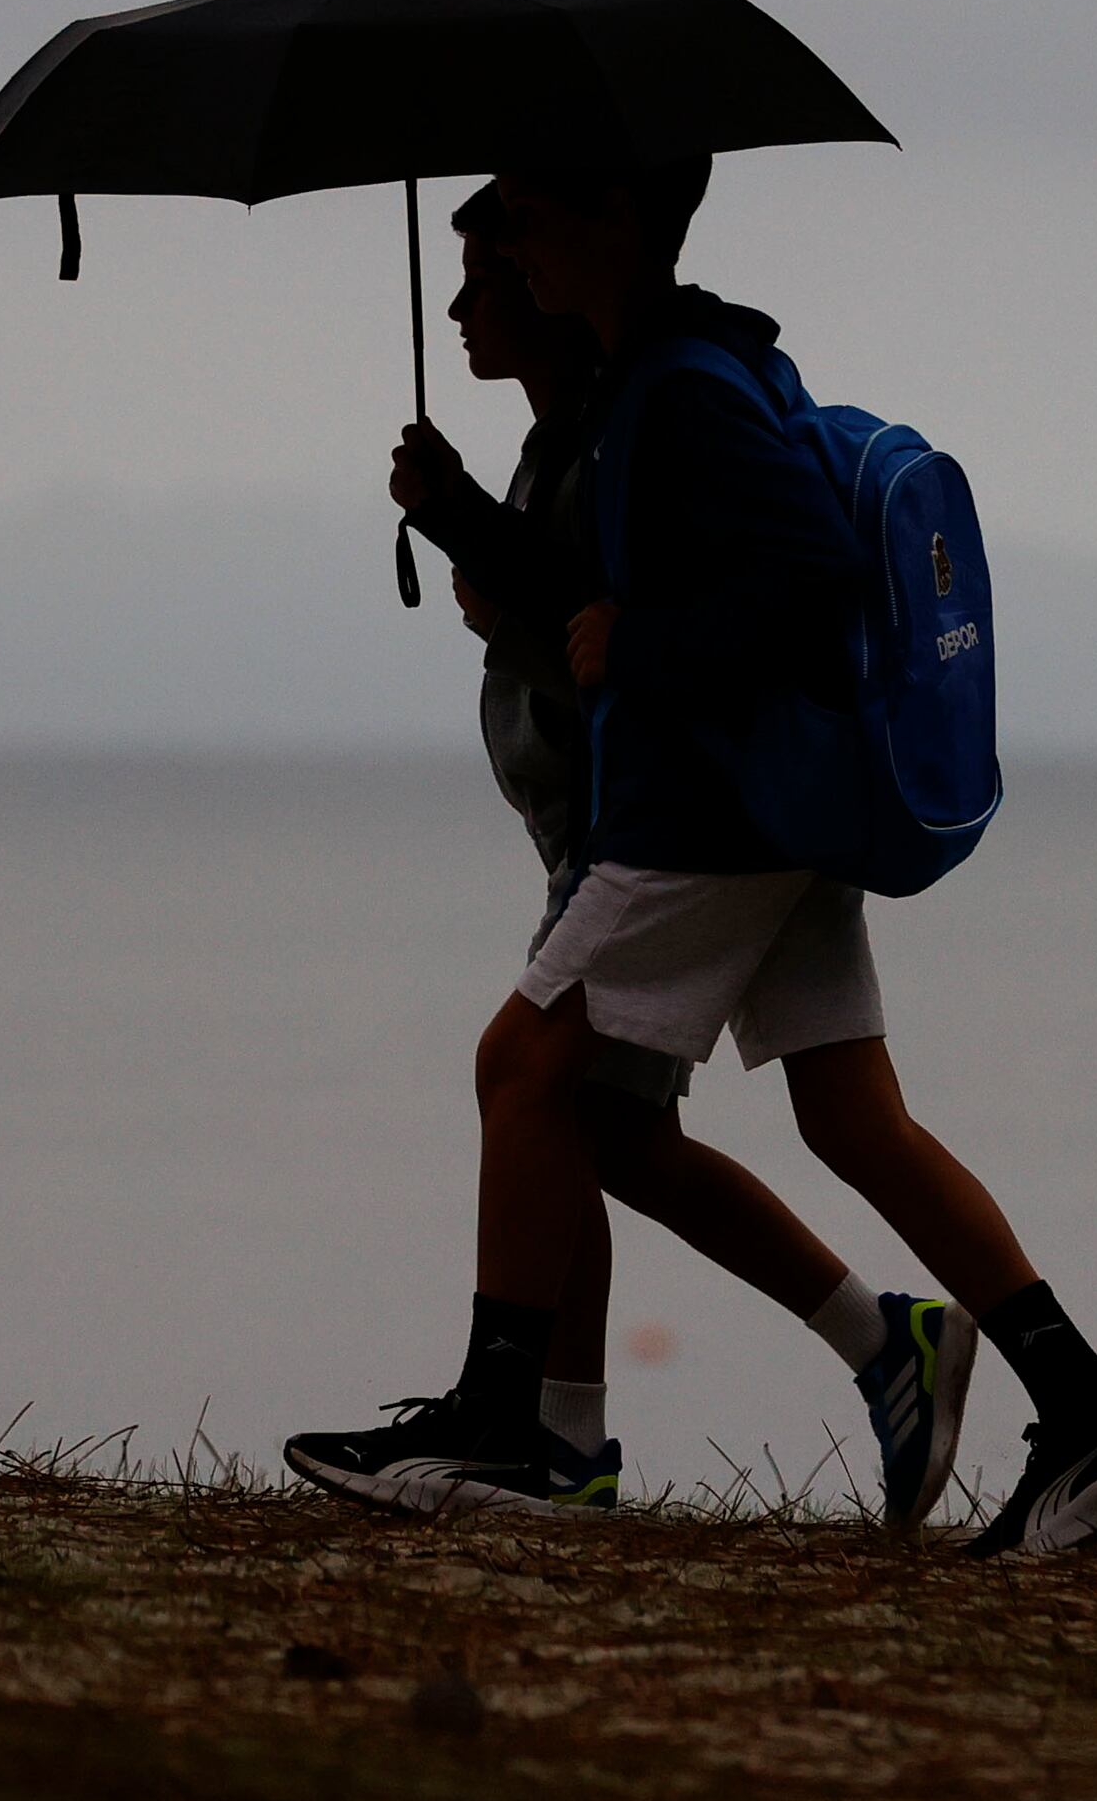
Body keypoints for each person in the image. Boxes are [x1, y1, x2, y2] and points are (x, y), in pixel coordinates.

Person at [285, 154, 1097, 1556]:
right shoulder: (663, 376)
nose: (511, 248)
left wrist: (645, 646)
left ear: (618, 214)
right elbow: (629, 584)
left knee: (521, 1069)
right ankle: (1089, 1406)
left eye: (528, 215)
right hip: (773, 810)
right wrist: (470, 518)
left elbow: (809, 578)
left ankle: (509, 1425)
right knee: (848, 1119)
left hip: (704, 813)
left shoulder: (686, 383)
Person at [335, 189, 974, 1528]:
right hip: (654, 824)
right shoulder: (588, 434)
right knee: (602, 1123)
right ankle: (855, 1360)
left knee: (536, 1086)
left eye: (484, 272)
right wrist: (462, 519)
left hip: (665, 831)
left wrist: (560, 601)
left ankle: (540, 1430)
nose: (460, 305)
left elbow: (674, 610)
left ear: (548, 269)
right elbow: (581, 605)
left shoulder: (647, 415)